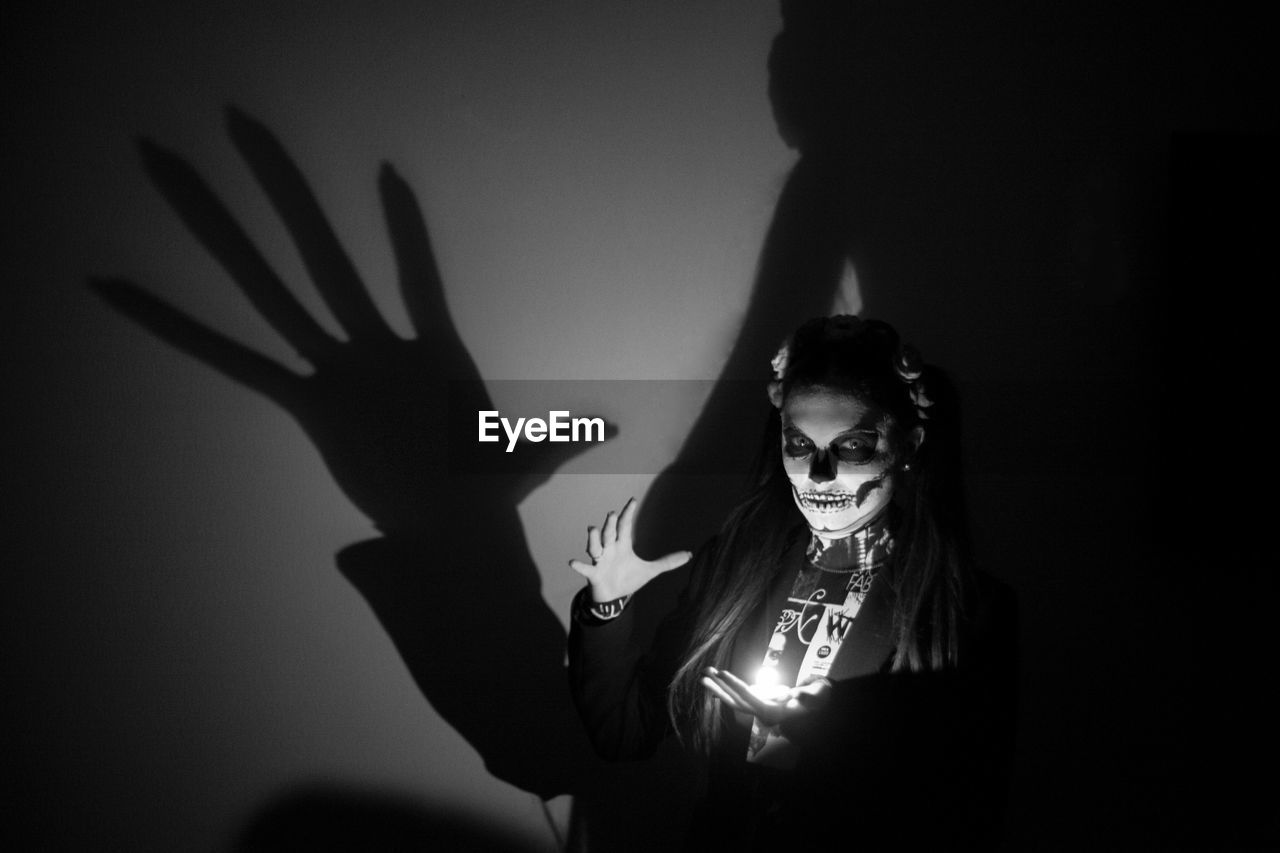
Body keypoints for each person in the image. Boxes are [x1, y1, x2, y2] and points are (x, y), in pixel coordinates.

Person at [567, 315, 1017, 850]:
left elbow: (965, 812)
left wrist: (833, 731)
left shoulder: (966, 608)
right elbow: (624, 733)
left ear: (909, 445)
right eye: (800, 445)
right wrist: (607, 609)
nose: (819, 473)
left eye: (852, 447)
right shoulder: (738, 568)